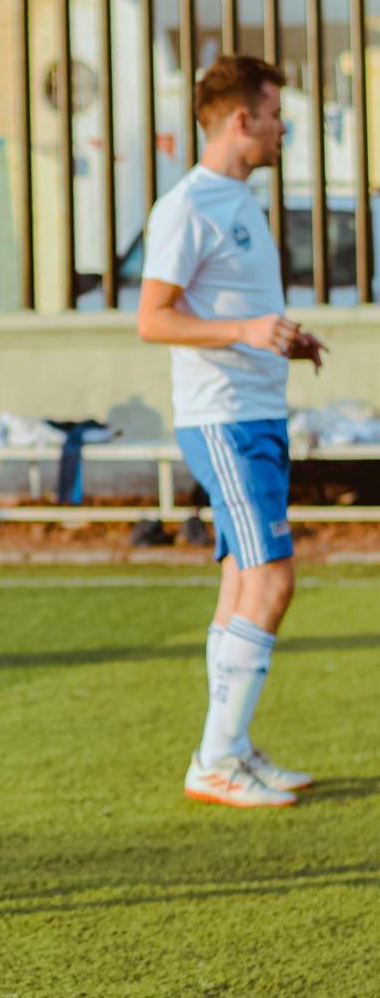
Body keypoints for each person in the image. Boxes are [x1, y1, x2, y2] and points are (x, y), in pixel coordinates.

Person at [137, 52, 326, 808]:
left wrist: (280, 336)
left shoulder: (239, 200)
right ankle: (213, 760)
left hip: (256, 412)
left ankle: (231, 748)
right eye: (277, 113)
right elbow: (153, 319)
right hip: (222, 418)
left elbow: (233, 314)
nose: (285, 127)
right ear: (241, 119)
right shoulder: (186, 206)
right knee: (272, 579)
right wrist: (248, 329)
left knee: (241, 582)